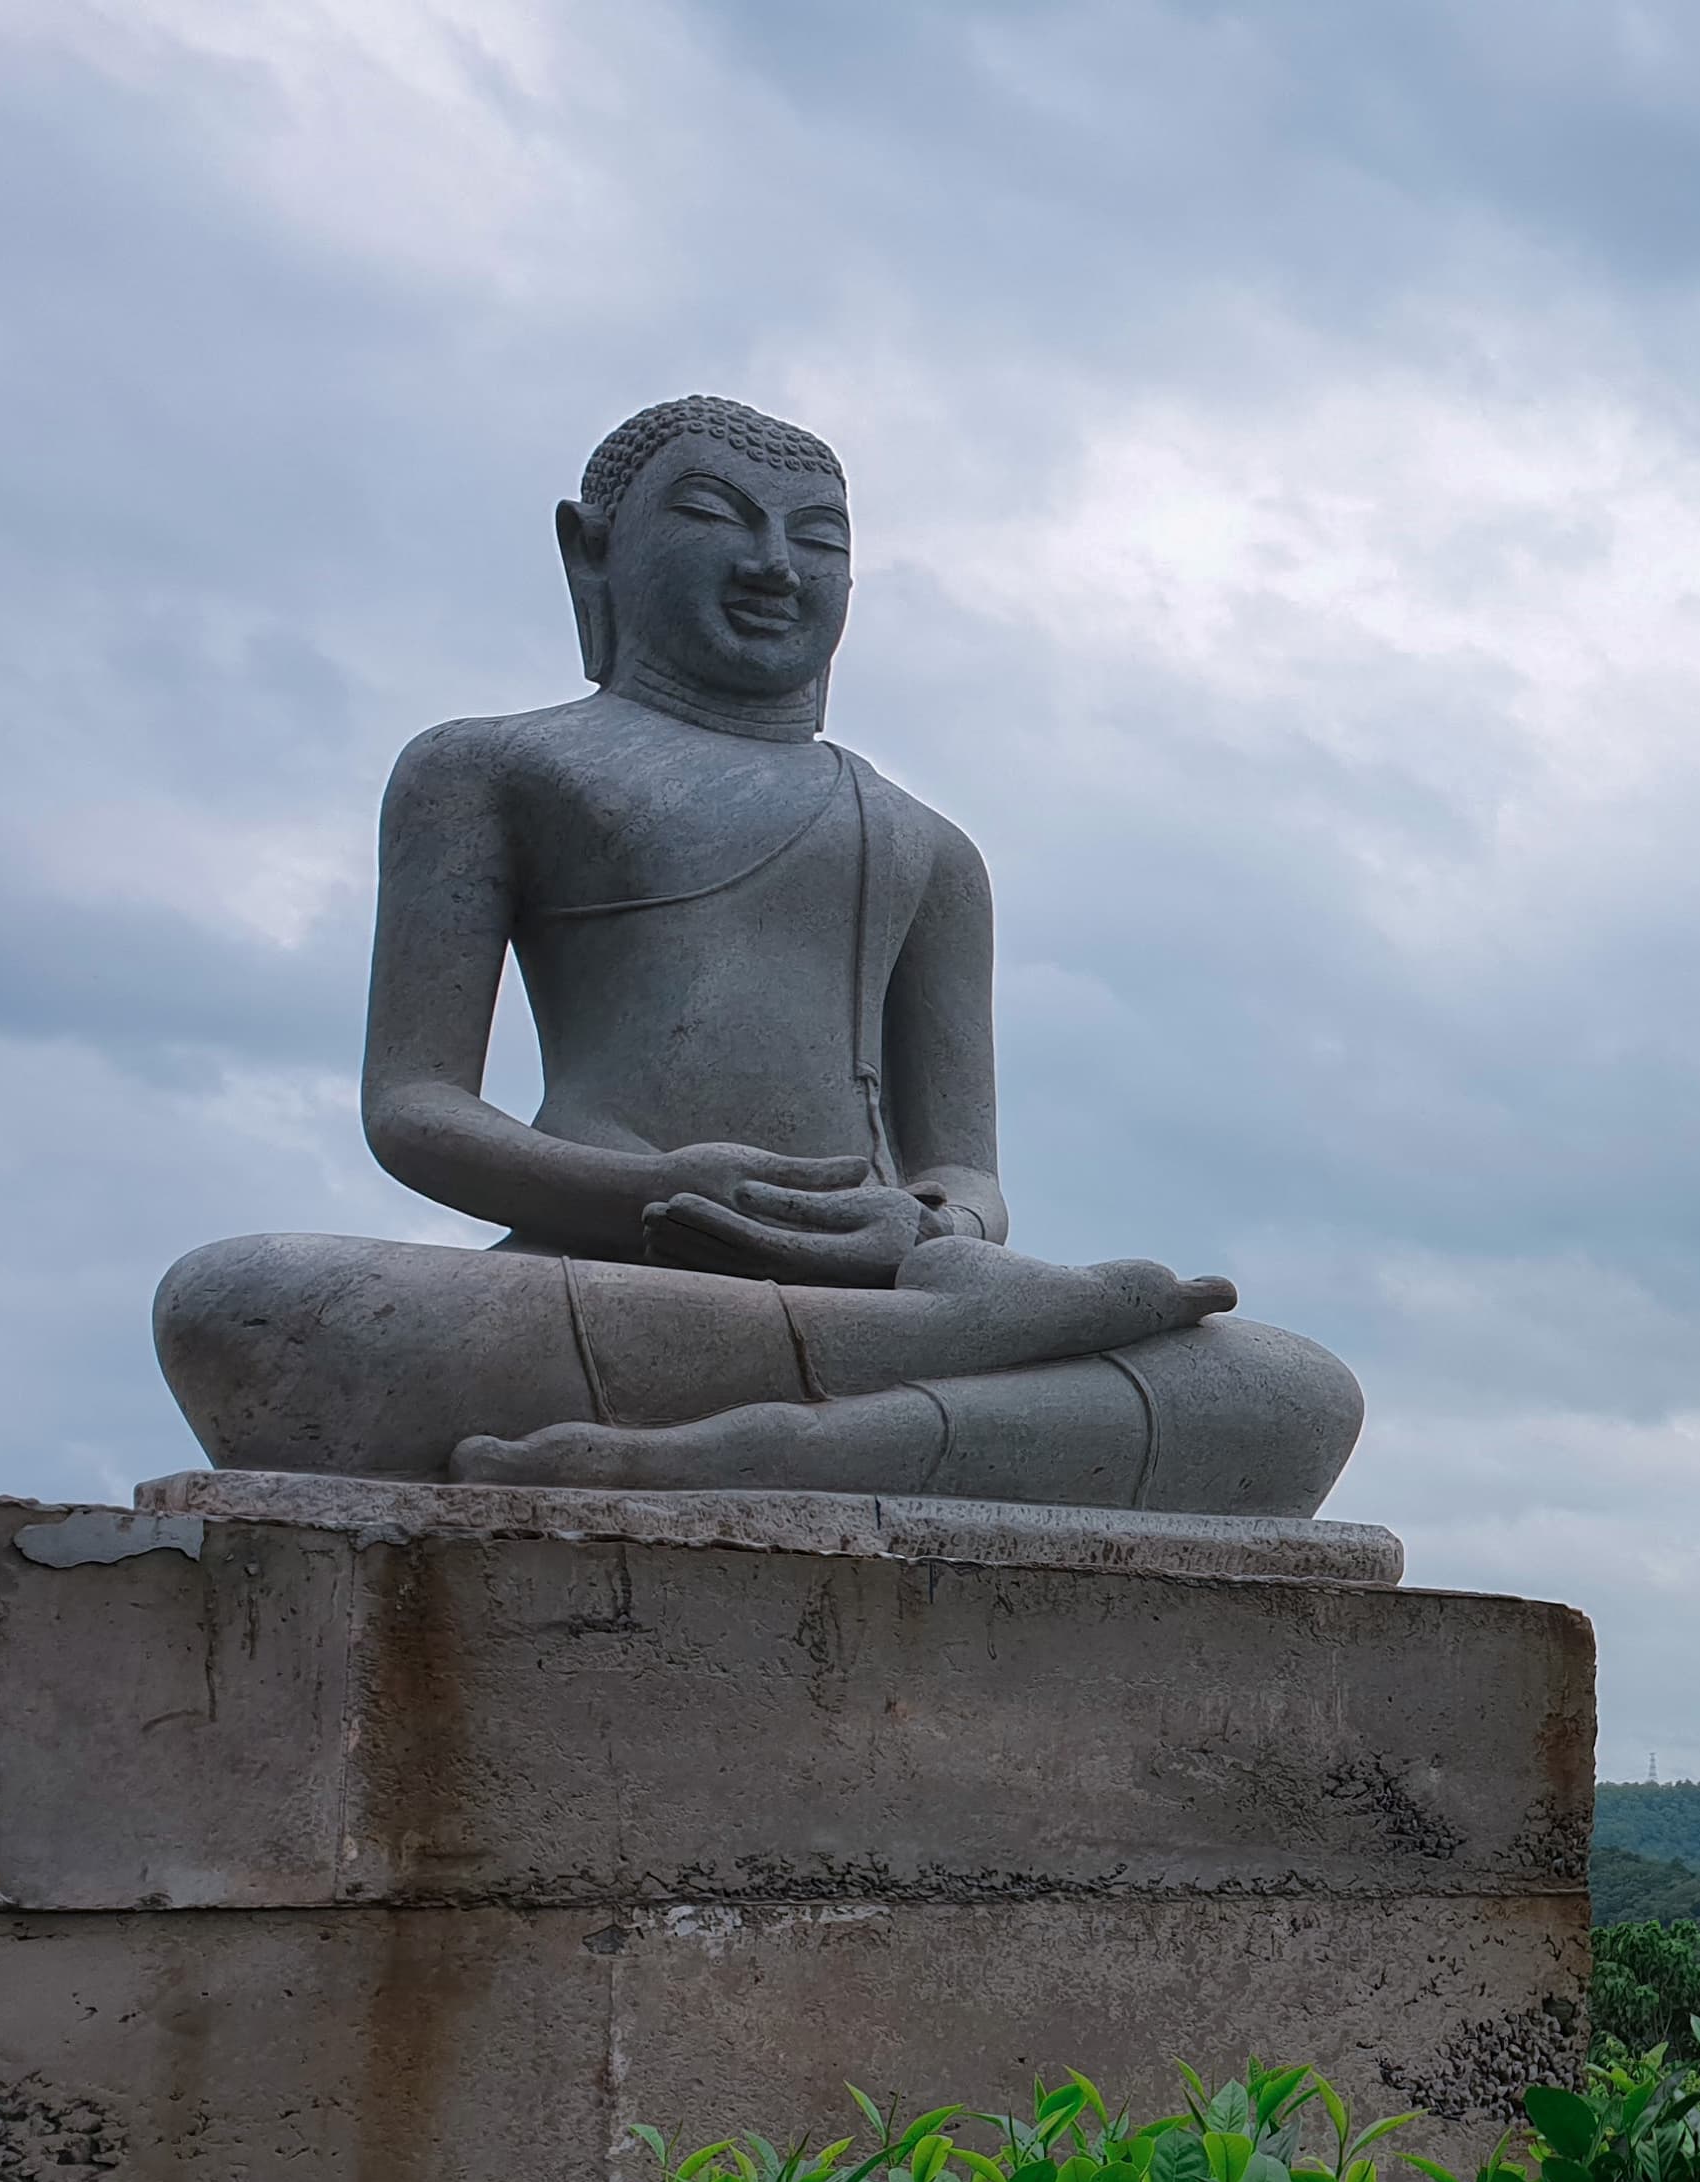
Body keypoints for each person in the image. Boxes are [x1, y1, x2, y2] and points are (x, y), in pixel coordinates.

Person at [155, 396, 1362, 1515]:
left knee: (1291, 1397)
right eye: (711, 518)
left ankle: (738, 1454)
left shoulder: (927, 844)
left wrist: (944, 1223)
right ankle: (954, 1360)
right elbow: (412, 1105)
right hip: (613, 1277)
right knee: (245, 1308)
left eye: (818, 537)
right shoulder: (492, 769)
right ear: (592, 552)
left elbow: (967, 1174)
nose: (775, 566)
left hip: (869, 1282)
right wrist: (655, 1192)